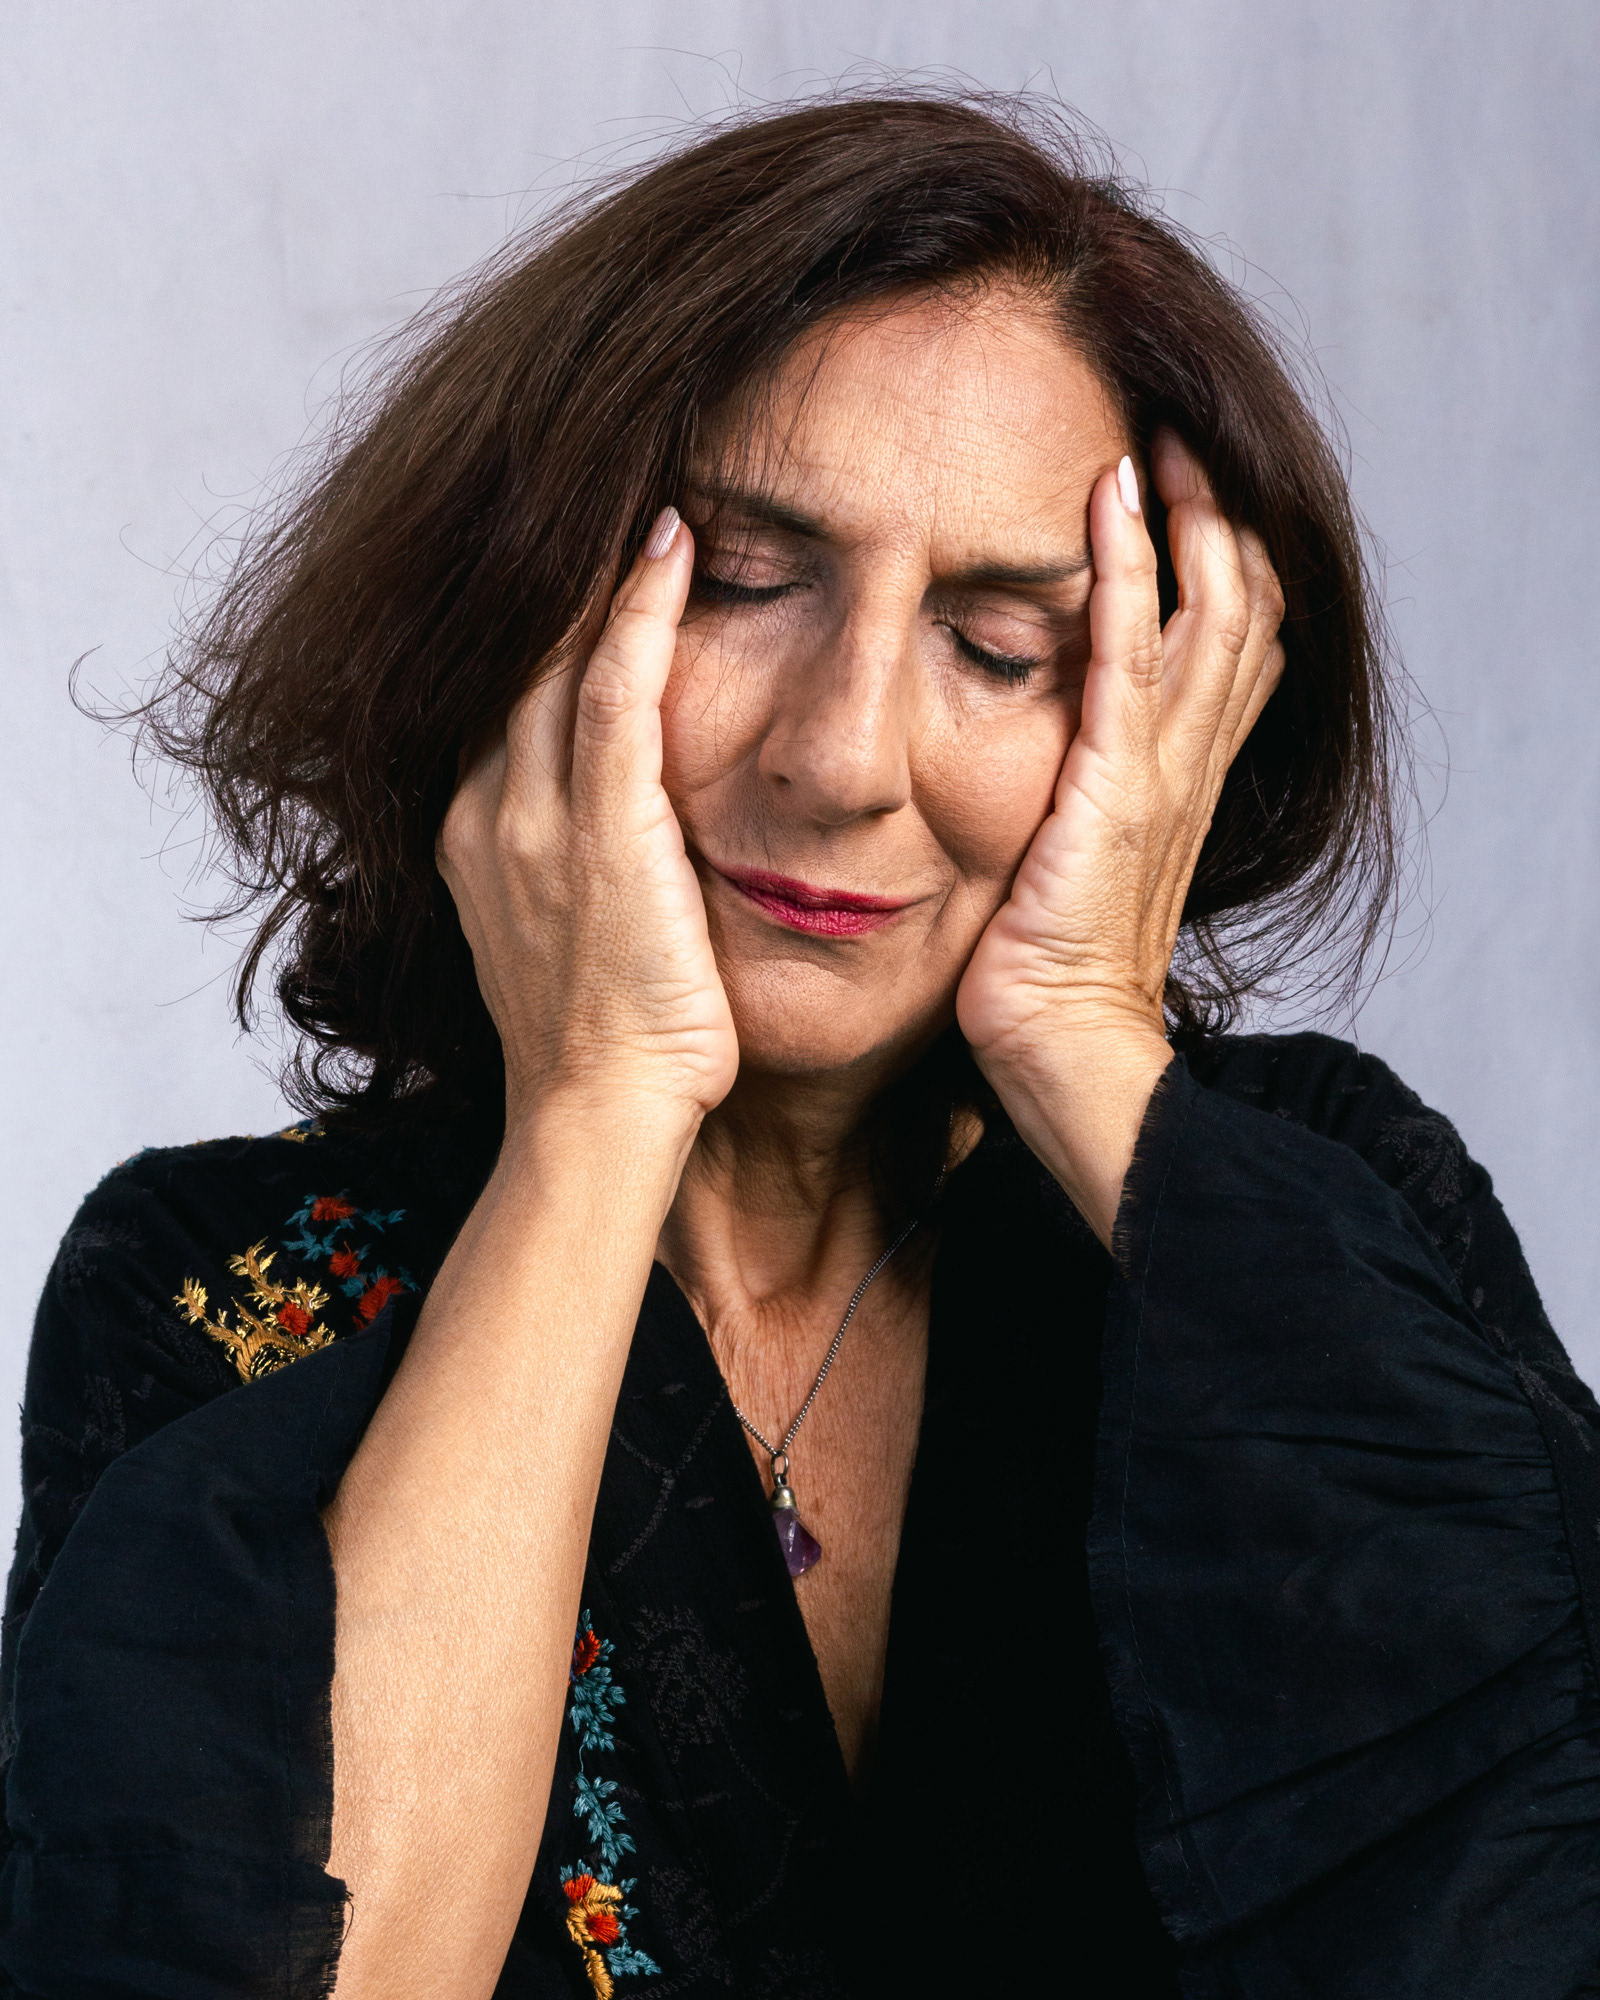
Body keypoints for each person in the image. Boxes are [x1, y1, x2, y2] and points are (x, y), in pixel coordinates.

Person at [4, 94, 1597, 2000]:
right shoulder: (219, 1286)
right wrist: (596, 1114)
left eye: (1002, 647)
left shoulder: (1336, 1209)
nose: (843, 758)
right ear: (520, 613)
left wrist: (1091, 1040)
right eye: (747, 584)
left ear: (1169, 712)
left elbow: (1512, 1917)